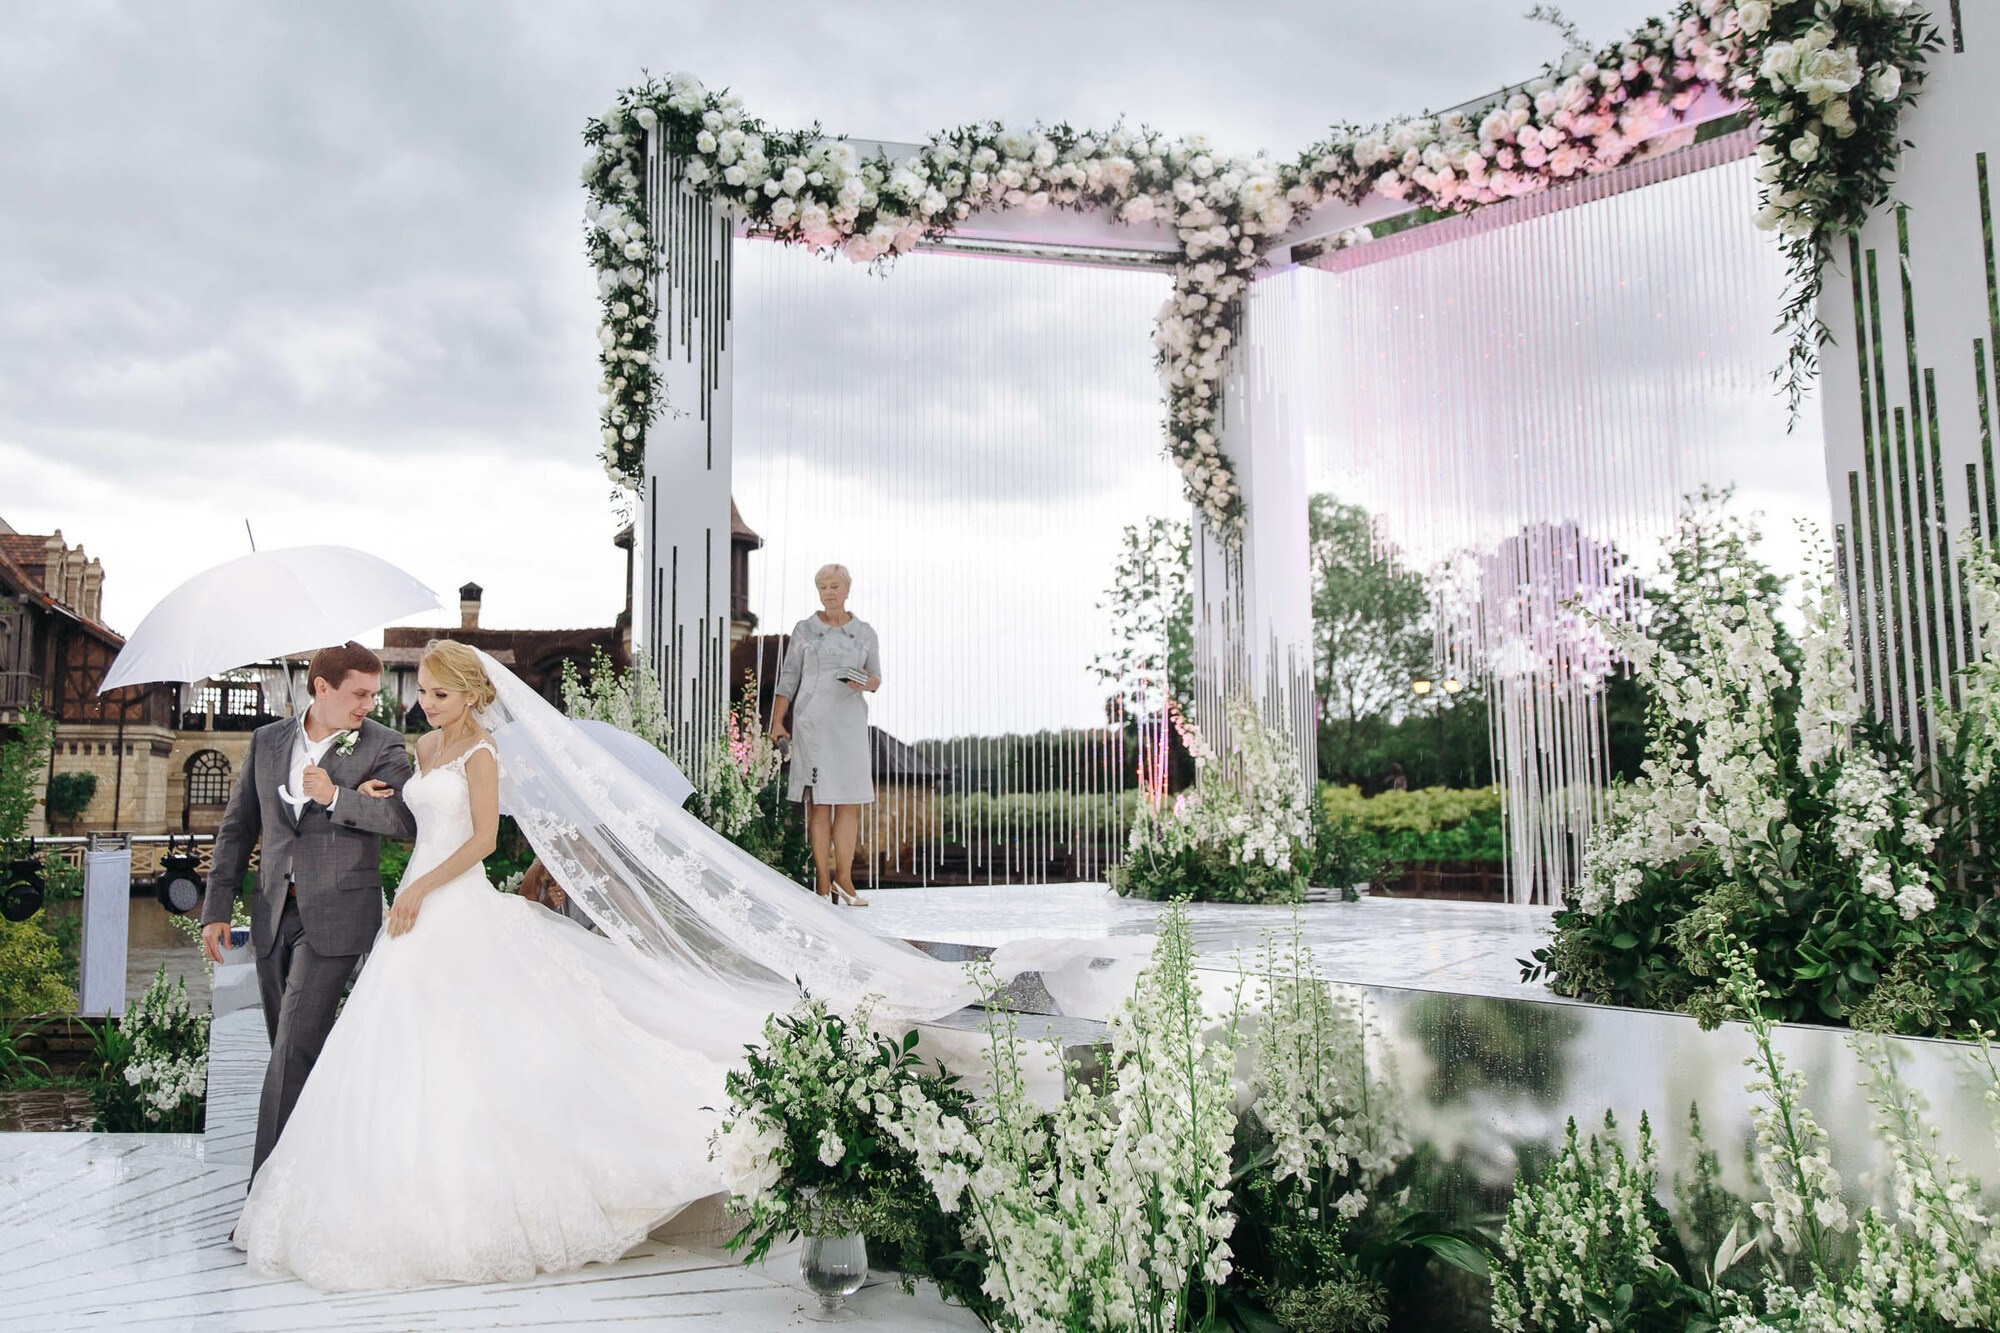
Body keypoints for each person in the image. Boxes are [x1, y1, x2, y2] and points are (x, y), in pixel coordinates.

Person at [226, 638, 1116, 1292]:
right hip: (414, 907)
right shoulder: (415, 753)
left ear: (470, 696)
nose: (423, 704)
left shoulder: (487, 751)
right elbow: (416, 820)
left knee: (479, 1040)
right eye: (421, 693)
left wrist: (419, 887)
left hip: (447, 902)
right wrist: (369, 807)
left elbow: (489, 840)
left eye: (436, 692)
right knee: (401, 1050)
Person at [199, 641, 416, 1177]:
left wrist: (338, 798)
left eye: (373, 692)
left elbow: (406, 823)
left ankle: (266, 1195)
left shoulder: (385, 746)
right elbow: (237, 829)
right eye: (358, 693)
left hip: (339, 917)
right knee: (293, 1050)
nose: (369, 703)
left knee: (291, 1048)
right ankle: (326, 1173)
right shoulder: (267, 740)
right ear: (322, 688)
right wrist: (215, 908)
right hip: (273, 914)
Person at [769, 564, 881, 907]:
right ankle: (821, 882)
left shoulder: (865, 633)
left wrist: (861, 681)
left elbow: (876, 680)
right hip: (811, 722)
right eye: (823, 587)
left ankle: (844, 882)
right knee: (819, 805)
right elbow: (788, 677)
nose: (829, 592)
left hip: (849, 722)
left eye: (834, 586)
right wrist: (777, 722)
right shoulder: (805, 630)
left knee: (848, 804)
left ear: (847, 590)